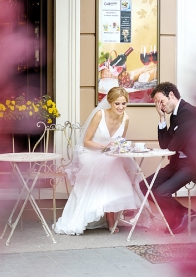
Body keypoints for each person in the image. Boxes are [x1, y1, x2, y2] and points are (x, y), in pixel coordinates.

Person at [53, 87, 149, 235]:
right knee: (108, 168)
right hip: (91, 153)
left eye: (124, 104)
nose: (121, 107)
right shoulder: (100, 115)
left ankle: (111, 218)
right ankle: (103, 218)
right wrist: (106, 147)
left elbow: (119, 142)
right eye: (117, 104)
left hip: (110, 156)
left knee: (114, 166)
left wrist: (118, 148)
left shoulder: (125, 118)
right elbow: (86, 142)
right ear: (110, 102)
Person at [140, 82, 196, 234]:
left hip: (193, 164)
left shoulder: (188, 113)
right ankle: (183, 213)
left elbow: (171, 146)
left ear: (171, 95)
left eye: (161, 101)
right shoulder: (174, 114)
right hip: (177, 163)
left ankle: (179, 216)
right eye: (156, 103)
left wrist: (171, 142)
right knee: (144, 186)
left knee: (161, 192)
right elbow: (165, 144)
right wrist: (162, 118)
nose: (159, 106)